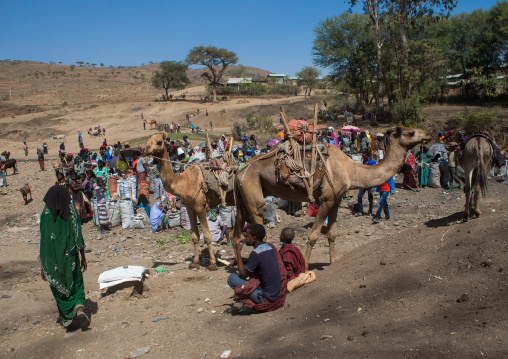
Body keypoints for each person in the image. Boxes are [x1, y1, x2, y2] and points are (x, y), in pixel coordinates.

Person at [39, 185, 90, 330]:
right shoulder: (71, 211)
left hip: (52, 260)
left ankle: (67, 318)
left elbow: (44, 241)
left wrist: (43, 266)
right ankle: (79, 306)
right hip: (71, 258)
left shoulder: (46, 214)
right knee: (76, 282)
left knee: (58, 288)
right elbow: (78, 235)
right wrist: (83, 256)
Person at [227, 224, 287, 312]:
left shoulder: (255, 253)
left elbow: (243, 274)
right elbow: (256, 261)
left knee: (232, 278)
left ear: (254, 238)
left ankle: (256, 301)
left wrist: (238, 252)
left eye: (247, 236)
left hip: (266, 298)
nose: (244, 238)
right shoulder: (269, 247)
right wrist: (237, 262)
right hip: (276, 294)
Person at [355, 150, 376, 216]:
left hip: (370, 183)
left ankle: (370, 212)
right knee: (359, 196)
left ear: (367, 156)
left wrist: (373, 187)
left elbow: (374, 174)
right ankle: (361, 211)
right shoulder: (364, 162)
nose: (363, 157)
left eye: (364, 156)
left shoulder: (372, 163)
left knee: (370, 198)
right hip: (363, 183)